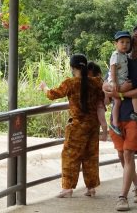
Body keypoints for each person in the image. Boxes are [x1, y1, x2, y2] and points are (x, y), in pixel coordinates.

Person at [104, 24, 137, 211]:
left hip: (135, 114)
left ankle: (122, 197)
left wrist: (122, 94)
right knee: (121, 154)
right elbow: (105, 85)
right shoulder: (120, 57)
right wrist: (114, 90)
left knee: (128, 153)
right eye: (135, 36)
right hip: (118, 115)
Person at [39, 54, 105, 198]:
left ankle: (67, 188)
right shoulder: (96, 82)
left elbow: (52, 94)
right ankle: (91, 188)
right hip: (93, 126)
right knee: (91, 156)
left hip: (77, 126)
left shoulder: (70, 83)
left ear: (72, 67)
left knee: (70, 156)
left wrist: (44, 87)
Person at [107, 31, 137, 136]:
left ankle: (136, 113)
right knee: (118, 102)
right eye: (122, 42)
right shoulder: (115, 55)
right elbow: (113, 68)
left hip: (122, 81)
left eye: (127, 42)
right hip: (116, 82)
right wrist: (115, 83)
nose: (125, 45)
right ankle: (115, 123)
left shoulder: (124, 55)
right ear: (116, 44)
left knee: (133, 94)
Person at [88, 61, 108, 141]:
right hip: (94, 105)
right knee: (98, 121)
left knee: (102, 119)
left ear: (98, 74)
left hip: (99, 104)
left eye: (91, 76)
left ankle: (105, 135)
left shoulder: (101, 82)